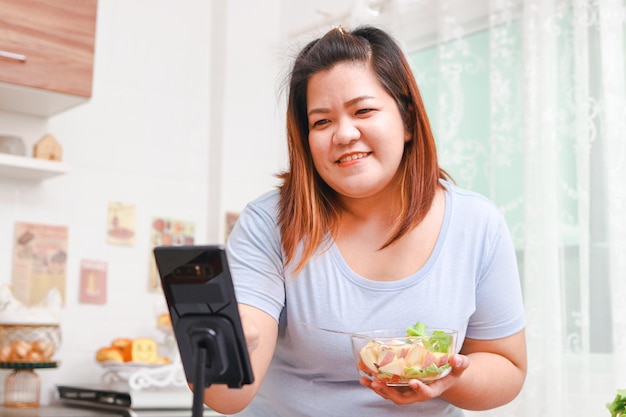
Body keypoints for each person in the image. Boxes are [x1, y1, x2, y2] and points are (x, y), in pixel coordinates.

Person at [204, 25, 527, 416]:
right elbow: (227, 398)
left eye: (364, 110)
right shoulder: (269, 223)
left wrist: (453, 377)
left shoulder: (477, 224)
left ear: (407, 120)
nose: (344, 133)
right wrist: (223, 338)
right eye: (321, 122)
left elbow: (507, 368)